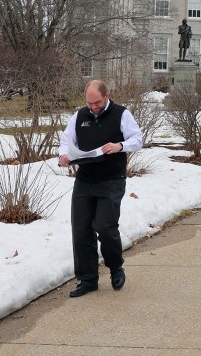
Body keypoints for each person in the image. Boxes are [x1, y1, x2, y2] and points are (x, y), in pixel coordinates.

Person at [59, 79, 143, 298]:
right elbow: (66, 140)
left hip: (112, 180)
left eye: (97, 103)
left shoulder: (121, 114)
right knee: (81, 230)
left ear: (106, 97)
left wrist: (120, 146)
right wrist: (63, 156)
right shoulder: (79, 116)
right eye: (89, 103)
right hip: (85, 180)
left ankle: (116, 267)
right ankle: (87, 280)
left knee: (105, 227)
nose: (93, 107)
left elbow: (138, 139)